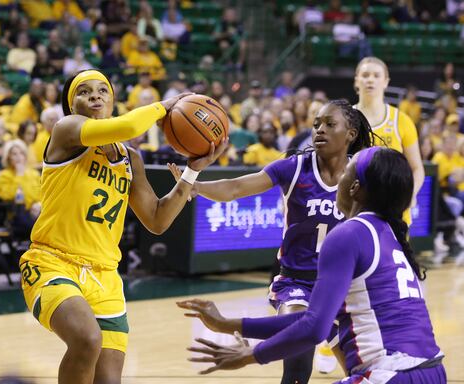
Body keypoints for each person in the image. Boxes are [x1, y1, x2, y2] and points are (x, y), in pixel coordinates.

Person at [18, 69, 227, 384]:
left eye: (102, 91)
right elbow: (129, 125)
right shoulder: (67, 130)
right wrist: (167, 105)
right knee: (87, 339)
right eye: (84, 91)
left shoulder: (131, 158)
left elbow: (157, 220)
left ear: (112, 100)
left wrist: (191, 172)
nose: (95, 96)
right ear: (71, 104)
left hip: (105, 277)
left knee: (109, 379)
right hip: (53, 262)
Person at [177, 147, 446, 383]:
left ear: (354, 188)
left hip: (390, 374)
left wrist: (250, 355)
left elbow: (314, 328)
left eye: (346, 173)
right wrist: (227, 324)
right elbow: (314, 319)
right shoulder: (391, 234)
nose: (339, 178)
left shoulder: (348, 234)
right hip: (433, 370)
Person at [169, 99, 376, 384]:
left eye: (330, 124)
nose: (319, 130)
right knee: (299, 355)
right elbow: (236, 187)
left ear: (350, 134)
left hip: (342, 287)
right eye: (316, 124)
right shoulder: (294, 168)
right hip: (297, 283)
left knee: (360, 373)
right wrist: (196, 187)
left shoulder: (361, 174)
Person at [353, 57, 424, 226]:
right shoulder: (345, 118)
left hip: (394, 212)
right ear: (357, 80)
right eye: (365, 75)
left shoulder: (402, 120)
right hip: (355, 210)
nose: (370, 79)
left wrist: (409, 195)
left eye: (377, 75)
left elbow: (417, 168)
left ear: (386, 82)